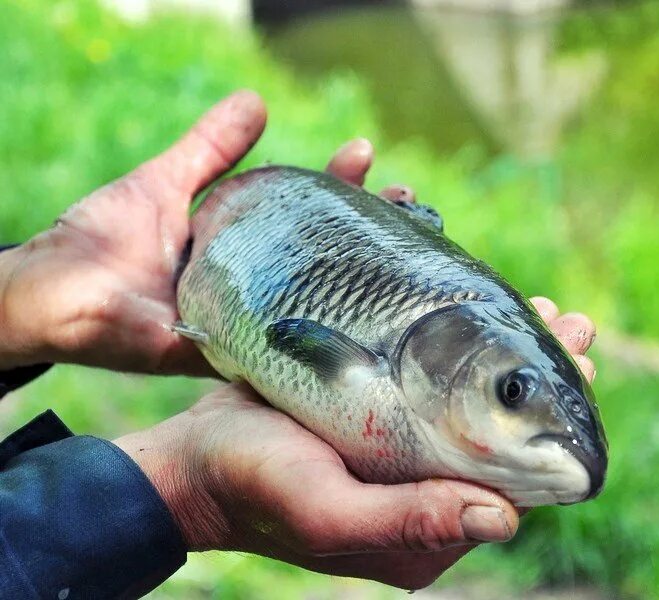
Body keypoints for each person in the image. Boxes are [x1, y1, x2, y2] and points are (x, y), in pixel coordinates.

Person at [0, 91, 598, 599]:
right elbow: (293, 338)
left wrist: (12, 298)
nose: (518, 406)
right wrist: (185, 491)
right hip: (251, 216)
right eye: (510, 390)